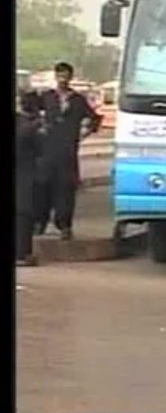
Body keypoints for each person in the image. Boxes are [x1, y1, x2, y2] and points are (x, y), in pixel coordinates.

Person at [35, 62, 102, 239]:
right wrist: (39, 129)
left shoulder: (78, 100)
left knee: (66, 187)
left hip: (67, 151)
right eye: (59, 76)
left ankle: (64, 225)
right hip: (47, 150)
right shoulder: (47, 97)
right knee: (43, 185)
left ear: (70, 77)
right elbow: (30, 112)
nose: (62, 80)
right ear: (55, 77)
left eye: (66, 76)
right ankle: (39, 222)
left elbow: (94, 119)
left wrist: (84, 133)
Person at [16, 90, 44, 267]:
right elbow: (40, 150)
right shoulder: (32, 127)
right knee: (24, 214)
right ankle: (22, 255)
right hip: (25, 174)